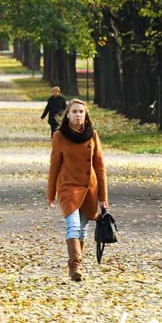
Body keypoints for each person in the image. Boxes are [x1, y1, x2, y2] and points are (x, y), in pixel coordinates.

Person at [47, 99, 109, 282]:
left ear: (86, 115)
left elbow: (100, 166)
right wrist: (51, 193)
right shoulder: (59, 136)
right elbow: (54, 166)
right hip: (68, 188)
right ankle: (75, 266)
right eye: (74, 111)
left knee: (82, 230)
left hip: (90, 188)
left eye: (81, 112)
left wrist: (103, 196)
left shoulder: (92, 135)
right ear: (67, 115)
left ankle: (77, 264)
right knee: (73, 226)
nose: (78, 115)